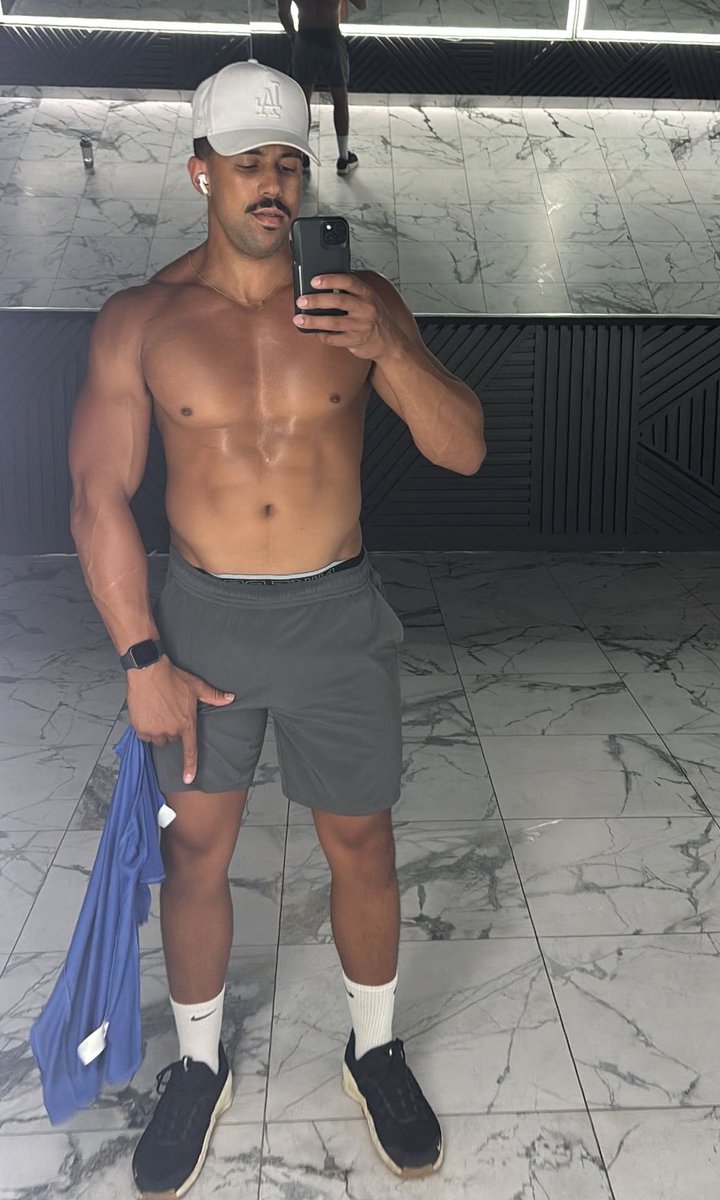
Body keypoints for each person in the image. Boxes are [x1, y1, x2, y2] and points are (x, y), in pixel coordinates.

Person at [67, 58, 485, 1198]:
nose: (272, 184)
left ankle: (373, 1050)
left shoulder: (363, 304)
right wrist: (141, 657)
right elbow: (98, 496)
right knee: (193, 853)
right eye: (248, 162)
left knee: (364, 845)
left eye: (288, 164)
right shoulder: (143, 320)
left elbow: (462, 447)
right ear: (199, 171)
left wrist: (389, 349)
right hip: (202, 623)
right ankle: (198, 1067)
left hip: (335, 615)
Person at [278, 0, 367, 175]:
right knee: (340, 99)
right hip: (331, 38)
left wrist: (294, 37)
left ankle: (302, 156)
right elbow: (361, 5)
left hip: (304, 39)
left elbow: (283, 13)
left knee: (303, 102)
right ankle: (343, 159)